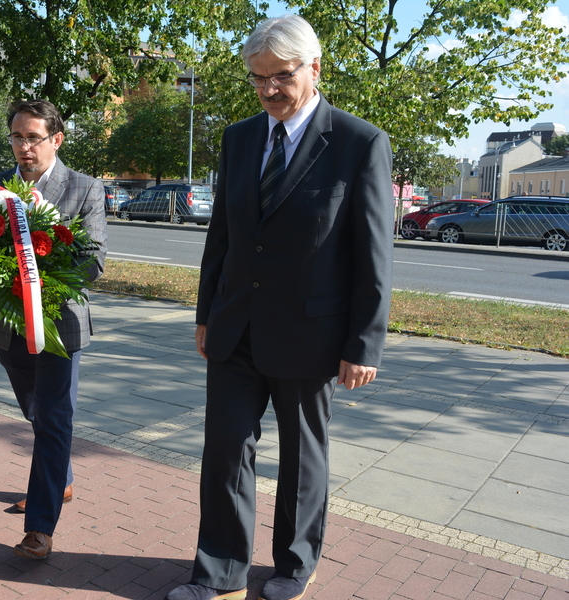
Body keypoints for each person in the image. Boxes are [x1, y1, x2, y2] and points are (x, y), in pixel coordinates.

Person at [166, 14, 393, 600]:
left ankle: (294, 566)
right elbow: (224, 232)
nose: (269, 90)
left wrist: (363, 343)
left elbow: (373, 254)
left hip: (310, 333)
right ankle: (218, 575)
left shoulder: (359, 143)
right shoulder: (239, 138)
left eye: (281, 77)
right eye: (258, 78)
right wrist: (205, 312)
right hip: (235, 324)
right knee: (224, 454)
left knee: (301, 461)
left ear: (314, 69)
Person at [0, 99, 107, 560]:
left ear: (56, 139)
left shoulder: (85, 189)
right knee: (35, 411)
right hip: (8, 327)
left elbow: (93, 262)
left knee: (54, 418)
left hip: (60, 327)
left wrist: (42, 238)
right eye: (16, 136)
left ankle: (40, 528)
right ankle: (63, 477)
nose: (23, 146)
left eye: (32, 137)